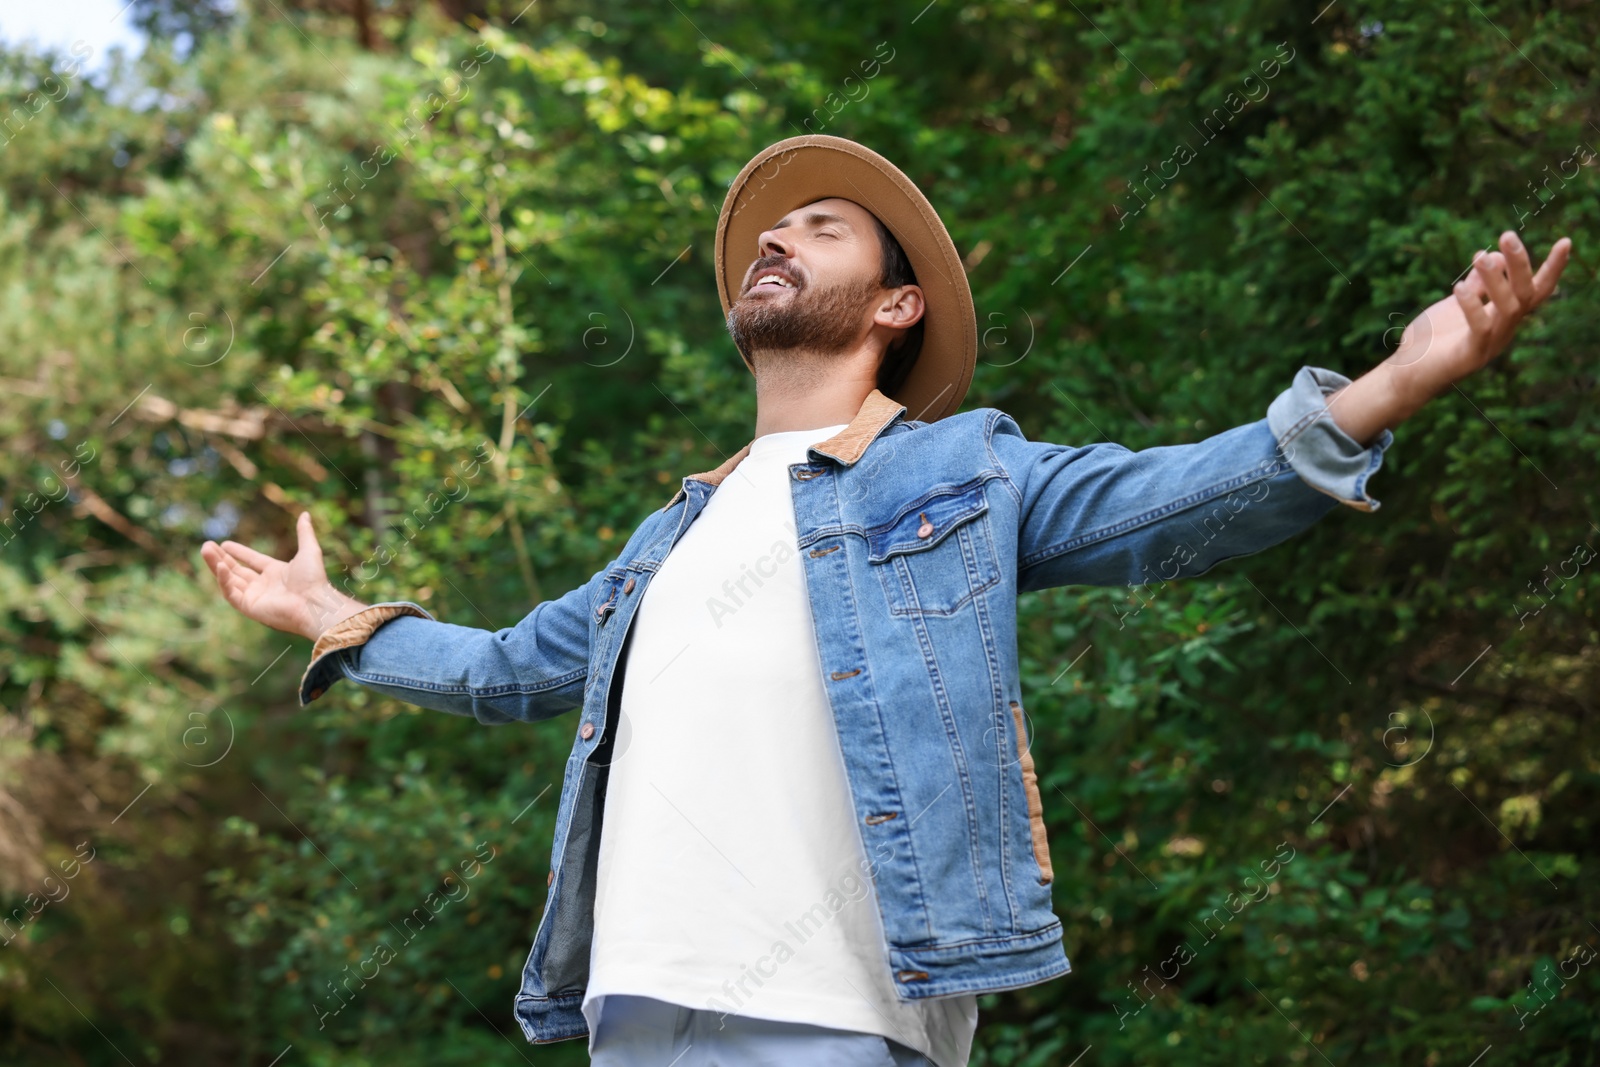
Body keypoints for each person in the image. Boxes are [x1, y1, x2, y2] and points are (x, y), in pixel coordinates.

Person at [200, 134, 1572, 1066]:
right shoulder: (667, 534)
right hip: (633, 1013)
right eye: (765, 235)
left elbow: (1174, 507)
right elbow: (507, 666)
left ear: (898, 306)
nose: (776, 241)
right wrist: (339, 622)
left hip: (841, 1016)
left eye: (820, 226)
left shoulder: (966, 469)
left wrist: (1398, 380)